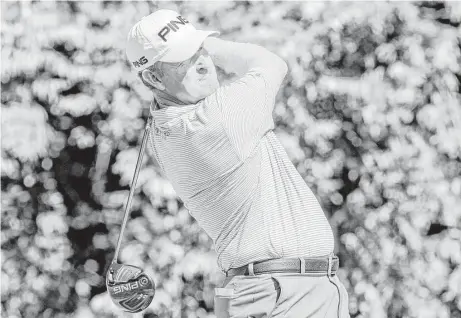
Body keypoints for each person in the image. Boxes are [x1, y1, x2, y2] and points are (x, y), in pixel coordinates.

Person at [126, 9, 350, 318]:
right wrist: (211, 46)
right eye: (185, 59)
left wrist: (187, 47)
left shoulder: (164, 132)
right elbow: (272, 64)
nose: (203, 63)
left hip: (265, 289)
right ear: (152, 78)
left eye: (201, 50)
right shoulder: (217, 120)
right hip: (281, 291)